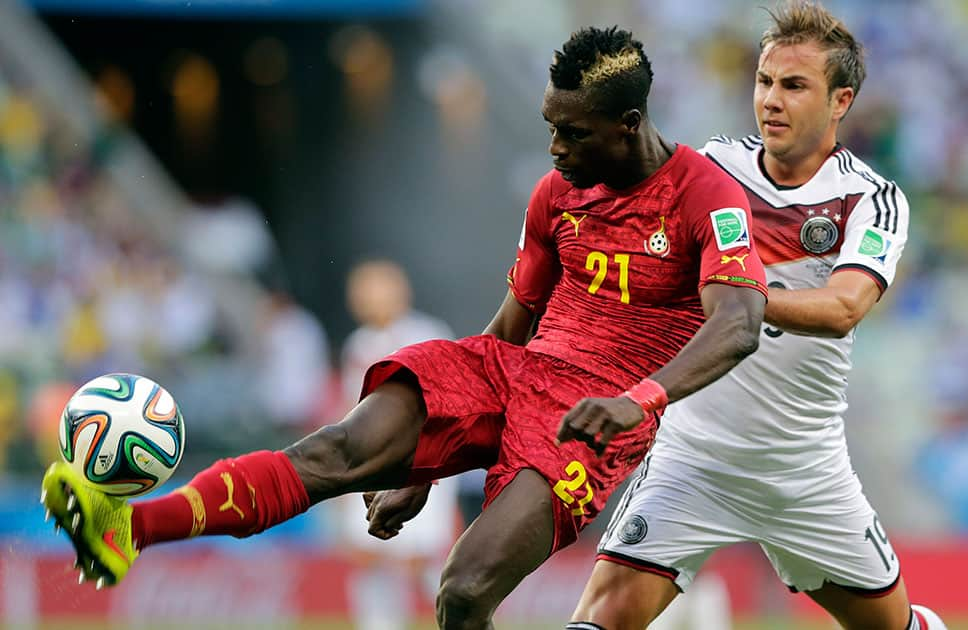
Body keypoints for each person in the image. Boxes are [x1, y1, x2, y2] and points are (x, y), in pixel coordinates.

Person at [40, 26, 768, 628]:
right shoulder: (556, 195)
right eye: (550, 128)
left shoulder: (706, 195)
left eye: (572, 134)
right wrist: (429, 458)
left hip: (594, 415)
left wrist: (637, 400)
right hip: (515, 367)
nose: (554, 149)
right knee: (338, 450)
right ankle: (128, 529)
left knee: (465, 589)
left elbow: (738, 324)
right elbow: (514, 322)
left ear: (628, 125)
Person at [565, 3, 948, 630]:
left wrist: (737, 291)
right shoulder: (711, 167)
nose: (771, 99)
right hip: (693, 460)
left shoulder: (869, 199)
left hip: (802, 469)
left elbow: (843, 307)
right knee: (597, 621)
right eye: (765, 81)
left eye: (794, 85)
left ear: (840, 100)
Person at [336, 258, 460, 630]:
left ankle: (462, 619)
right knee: (370, 558)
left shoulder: (429, 335)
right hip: (372, 466)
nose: (364, 299)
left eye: (374, 289)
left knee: (426, 561)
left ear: (399, 292)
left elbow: (451, 404)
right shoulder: (358, 344)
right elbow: (352, 412)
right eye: (359, 291)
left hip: (422, 463)